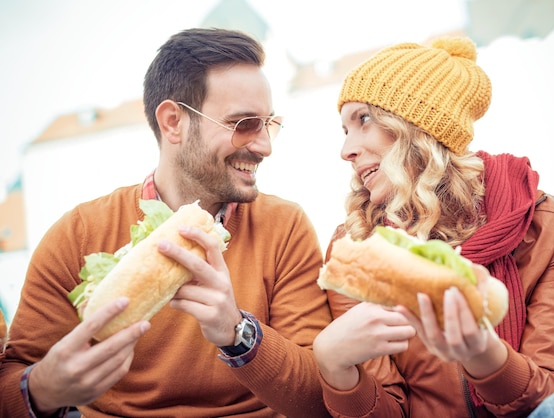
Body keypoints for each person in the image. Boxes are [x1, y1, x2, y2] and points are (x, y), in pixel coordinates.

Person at [0, 28, 332, 417]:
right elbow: (13, 379)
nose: (264, 146)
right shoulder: (78, 234)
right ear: (173, 122)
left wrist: (238, 333)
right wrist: (43, 388)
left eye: (268, 124)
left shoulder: (284, 227)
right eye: (244, 124)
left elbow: (319, 399)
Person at [313, 37, 554, 417]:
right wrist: (335, 367)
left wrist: (483, 354)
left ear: (416, 127)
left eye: (364, 120)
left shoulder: (546, 224)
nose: (346, 150)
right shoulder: (357, 247)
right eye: (344, 130)